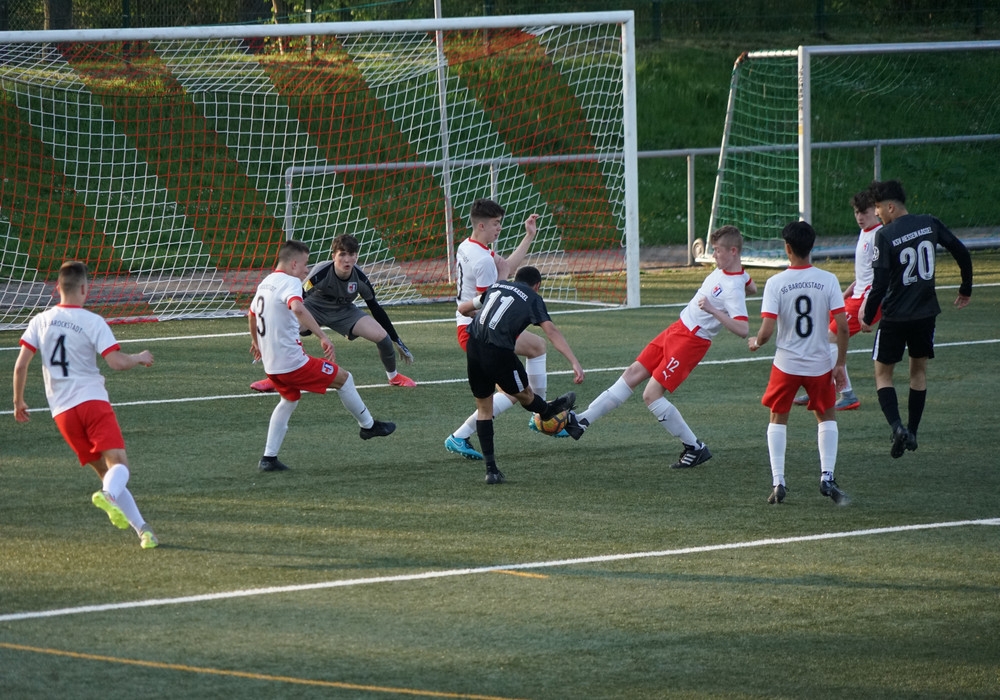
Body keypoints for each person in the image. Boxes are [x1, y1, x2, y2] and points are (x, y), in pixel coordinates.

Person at [563, 225, 756, 470]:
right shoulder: (732, 273)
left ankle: (695, 447)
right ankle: (582, 421)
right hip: (677, 329)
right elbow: (751, 285)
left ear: (733, 251)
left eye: (718, 250)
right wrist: (746, 283)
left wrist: (713, 310)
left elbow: (743, 329)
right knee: (632, 372)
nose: (714, 255)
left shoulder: (733, 287)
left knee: (651, 395)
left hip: (692, 341)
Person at [12, 261, 159, 548]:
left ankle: (144, 531)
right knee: (119, 466)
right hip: (91, 401)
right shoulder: (93, 321)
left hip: (62, 413)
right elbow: (116, 362)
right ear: (84, 289)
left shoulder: (40, 321)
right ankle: (109, 498)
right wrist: (139, 357)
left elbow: (20, 366)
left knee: (107, 475)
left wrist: (18, 400)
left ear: (57, 288)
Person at [248, 240, 396, 472]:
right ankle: (368, 425)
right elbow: (298, 308)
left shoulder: (266, 282)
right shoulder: (290, 282)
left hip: (271, 365)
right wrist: (322, 336)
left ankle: (269, 458)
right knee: (344, 379)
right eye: (305, 264)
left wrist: (256, 342)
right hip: (293, 364)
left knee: (289, 400)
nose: (306, 270)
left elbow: (251, 314)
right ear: (294, 263)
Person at [860, 179, 973, 458]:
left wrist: (868, 315)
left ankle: (897, 427)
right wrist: (966, 288)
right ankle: (912, 431)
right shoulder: (929, 223)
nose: (876, 214)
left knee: (883, 374)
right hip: (925, 314)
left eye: (878, 208)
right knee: (918, 372)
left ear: (890, 207)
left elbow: (879, 285)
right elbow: (961, 252)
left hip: (895, 316)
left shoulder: (884, 235)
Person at [748, 221, 850, 506]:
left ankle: (779, 481)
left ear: (787, 248)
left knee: (778, 417)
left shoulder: (775, 283)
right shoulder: (828, 279)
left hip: (787, 365)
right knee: (826, 417)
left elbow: (766, 331)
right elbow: (842, 327)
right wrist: (840, 364)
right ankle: (827, 476)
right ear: (812, 247)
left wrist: (756, 342)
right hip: (819, 363)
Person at [444, 198, 552, 460]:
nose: (499, 228)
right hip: (478, 330)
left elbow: (506, 268)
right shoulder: (482, 260)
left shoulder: (470, 246)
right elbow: (488, 304)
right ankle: (461, 435)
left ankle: (541, 414)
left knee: (536, 349)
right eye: (496, 223)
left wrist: (529, 236)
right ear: (481, 225)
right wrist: (503, 282)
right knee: (514, 392)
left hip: (477, 326)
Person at [250, 233, 415, 393]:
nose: (347, 259)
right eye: (342, 254)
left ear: (356, 256)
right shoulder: (321, 272)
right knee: (285, 328)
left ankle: (393, 376)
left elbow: (375, 308)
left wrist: (396, 339)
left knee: (382, 336)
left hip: (344, 311)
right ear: (333, 256)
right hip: (314, 308)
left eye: (351, 254)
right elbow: (299, 299)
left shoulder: (360, 278)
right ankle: (275, 378)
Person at [464, 266, 584, 483]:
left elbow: (464, 308)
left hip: (473, 345)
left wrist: (473, 314)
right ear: (537, 286)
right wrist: (574, 361)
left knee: (484, 408)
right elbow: (551, 332)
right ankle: (548, 411)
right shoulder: (533, 298)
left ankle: (491, 470)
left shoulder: (497, 286)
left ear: (515, 279)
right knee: (525, 395)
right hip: (499, 351)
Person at [793, 189, 883, 410]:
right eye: (856, 212)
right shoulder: (865, 233)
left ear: (876, 210)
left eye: (864, 212)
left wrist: (866, 303)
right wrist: (848, 291)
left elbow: (881, 275)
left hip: (867, 301)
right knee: (818, 332)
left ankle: (847, 394)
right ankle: (819, 389)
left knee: (830, 338)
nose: (860, 217)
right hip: (858, 296)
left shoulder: (879, 236)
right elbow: (865, 273)